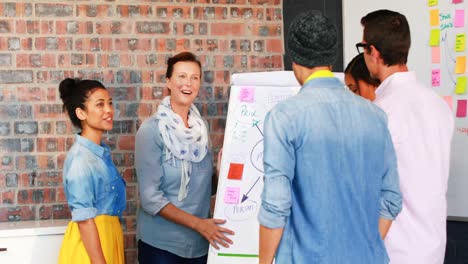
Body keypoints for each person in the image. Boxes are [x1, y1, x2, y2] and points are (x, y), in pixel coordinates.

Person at [258, 11, 402, 264]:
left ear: (294, 58)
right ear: (332, 56)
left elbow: (275, 205)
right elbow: (390, 199)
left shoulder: (285, 116)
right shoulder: (375, 116)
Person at [359, 10, 454, 263]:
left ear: (374, 52)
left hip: (392, 249)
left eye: (363, 48)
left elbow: (368, 188)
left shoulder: (379, 113)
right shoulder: (438, 105)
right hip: (432, 247)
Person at [135, 51, 234, 263]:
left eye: (194, 77)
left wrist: (220, 169)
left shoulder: (200, 129)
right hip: (161, 247)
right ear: (168, 81)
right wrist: (200, 224)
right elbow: (150, 198)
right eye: (181, 76)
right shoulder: (152, 130)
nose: (187, 83)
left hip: (199, 245)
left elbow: (204, 188)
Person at [58, 78, 126, 264]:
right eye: (100, 104)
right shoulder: (81, 159)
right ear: (81, 113)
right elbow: (85, 219)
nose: (108, 110)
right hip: (90, 252)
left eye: (110, 103)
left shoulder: (100, 154)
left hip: (108, 242)